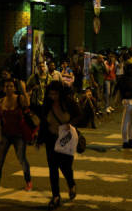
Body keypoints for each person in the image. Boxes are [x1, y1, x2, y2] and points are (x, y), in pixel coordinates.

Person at [0, 79, 32, 202]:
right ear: (3, 88)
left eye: (11, 86)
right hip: (5, 135)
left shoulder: (19, 99)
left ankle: (28, 181)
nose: (9, 88)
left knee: (22, 159)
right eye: (6, 86)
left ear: (14, 88)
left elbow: (27, 104)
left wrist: (23, 89)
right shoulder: (1, 101)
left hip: (19, 135)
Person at [37, 81, 81, 210]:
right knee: (52, 168)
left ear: (60, 93)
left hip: (66, 139)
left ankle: (71, 184)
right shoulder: (47, 104)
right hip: (51, 139)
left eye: (55, 94)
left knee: (66, 166)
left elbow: (79, 115)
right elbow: (43, 122)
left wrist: (71, 124)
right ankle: (55, 196)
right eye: (51, 94)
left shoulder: (68, 102)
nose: (53, 96)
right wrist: (40, 139)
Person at [114, 64, 132, 148]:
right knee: (126, 121)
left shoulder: (128, 78)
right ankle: (125, 141)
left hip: (130, 100)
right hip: (127, 100)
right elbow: (129, 89)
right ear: (129, 70)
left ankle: (130, 138)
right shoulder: (126, 78)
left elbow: (116, 87)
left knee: (130, 121)